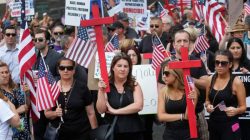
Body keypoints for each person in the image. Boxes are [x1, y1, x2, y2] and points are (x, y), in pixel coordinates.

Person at [44, 57, 98, 140]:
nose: (66, 70)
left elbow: (91, 113)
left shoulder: (82, 87)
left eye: (69, 68)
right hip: (60, 133)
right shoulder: (52, 88)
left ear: (74, 70)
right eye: (62, 68)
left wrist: (95, 134)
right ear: (58, 70)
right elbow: (46, 113)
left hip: (81, 133)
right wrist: (55, 113)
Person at [96, 53, 144, 140]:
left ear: (129, 69)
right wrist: (100, 90)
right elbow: (101, 110)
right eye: (119, 66)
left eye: (126, 66)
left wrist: (115, 111)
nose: (122, 69)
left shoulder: (134, 85)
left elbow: (139, 106)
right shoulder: (106, 85)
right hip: (112, 131)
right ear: (113, 68)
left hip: (132, 131)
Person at [205, 50, 246, 140]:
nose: (219, 66)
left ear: (230, 65)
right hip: (214, 123)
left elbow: (243, 107)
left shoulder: (236, 82)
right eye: (217, 62)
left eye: (223, 63)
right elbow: (207, 100)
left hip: (231, 124)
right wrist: (208, 106)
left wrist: (236, 110)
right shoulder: (210, 80)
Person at [32, 28, 63, 140]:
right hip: (37, 101)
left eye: (40, 39)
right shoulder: (34, 57)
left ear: (47, 41)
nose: (37, 42)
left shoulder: (57, 56)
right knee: (38, 133)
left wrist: (44, 80)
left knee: (52, 134)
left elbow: (62, 76)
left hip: (51, 101)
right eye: (35, 40)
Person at [157, 61, 198, 139]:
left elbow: (188, 115)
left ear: (176, 74)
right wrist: (181, 116)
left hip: (188, 134)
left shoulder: (189, 90)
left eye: (166, 73)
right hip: (169, 134)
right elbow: (161, 116)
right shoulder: (163, 91)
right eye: (163, 73)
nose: (163, 76)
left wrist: (194, 99)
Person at [226, 38, 250, 140]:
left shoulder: (248, 64)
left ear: (242, 49)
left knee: (245, 134)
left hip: (246, 113)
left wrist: (248, 74)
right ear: (228, 50)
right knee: (234, 132)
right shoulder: (223, 65)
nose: (236, 50)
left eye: (238, 48)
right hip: (230, 114)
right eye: (233, 48)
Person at [0, 61, 30, 140]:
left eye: (6, 72)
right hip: (10, 133)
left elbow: (26, 106)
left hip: (24, 129)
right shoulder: (0, 95)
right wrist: (18, 111)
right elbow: (3, 117)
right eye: (1, 73)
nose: (5, 75)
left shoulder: (15, 89)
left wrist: (27, 94)